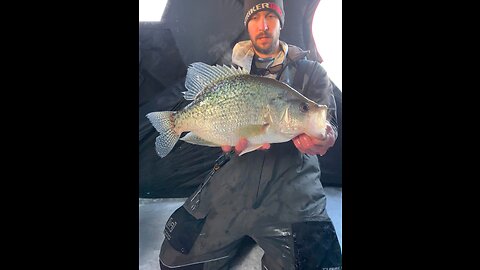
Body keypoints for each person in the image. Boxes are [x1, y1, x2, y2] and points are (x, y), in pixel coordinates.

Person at [159, 1, 342, 269]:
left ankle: (261, 231)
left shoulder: (312, 71)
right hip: (233, 179)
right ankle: (245, 229)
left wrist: (326, 138)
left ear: (281, 21)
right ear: (247, 24)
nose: (264, 25)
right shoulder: (230, 67)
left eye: (271, 16)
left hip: (294, 185)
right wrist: (224, 138)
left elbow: (329, 124)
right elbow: (221, 118)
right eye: (256, 18)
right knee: (173, 262)